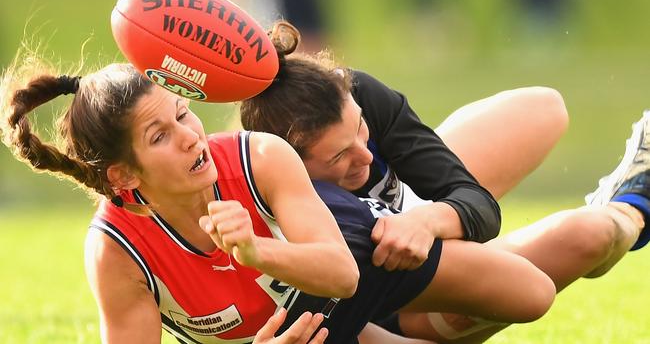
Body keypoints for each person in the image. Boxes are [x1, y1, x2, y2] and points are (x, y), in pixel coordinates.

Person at [0, 50, 557, 344]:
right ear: (123, 177)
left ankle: (627, 203)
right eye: (160, 137)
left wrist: (258, 253)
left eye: (182, 113)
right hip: (317, 329)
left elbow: (342, 275)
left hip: (363, 260)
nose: (191, 135)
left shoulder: (258, 156)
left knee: (534, 292)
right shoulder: (118, 250)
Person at [240, 21, 647, 342]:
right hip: (397, 305)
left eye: (360, 129)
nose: (364, 156)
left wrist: (428, 220)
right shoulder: (272, 196)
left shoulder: (358, 93)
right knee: (589, 233)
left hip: (419, 221)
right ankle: (630, 203)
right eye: (338, 156)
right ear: (290, 163)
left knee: (543, 108)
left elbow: (479, 206)